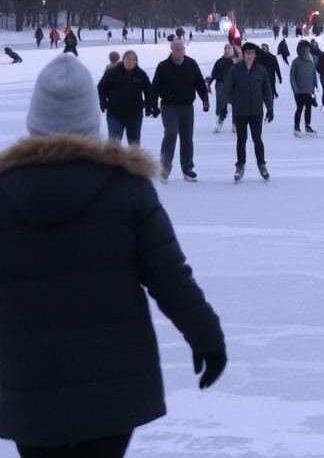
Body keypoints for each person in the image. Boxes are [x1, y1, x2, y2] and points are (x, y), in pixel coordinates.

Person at [0, 54, 225, 458]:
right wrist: (207, 337)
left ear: (35, 121)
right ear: (92, 120)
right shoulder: (126, 189)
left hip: (26, 382)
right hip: (112, 385)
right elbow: (170, 276)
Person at [151, 39, 209, 182]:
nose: (179, 52)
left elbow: (200, 83)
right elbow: (155, 86)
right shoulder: (163, 66)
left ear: (184, 49)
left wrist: (205, 99)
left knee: (187, 137)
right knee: (171, 133)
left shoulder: (191, 64)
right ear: (171, 50)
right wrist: (152, 104)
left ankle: (187, 168)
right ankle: (164, 168)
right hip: (169, 106)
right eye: (176, 50)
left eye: (181, 49)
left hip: (187, 106)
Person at [225, 42, 274, 182]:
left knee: (257, 139)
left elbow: (267, 91)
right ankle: (240, 166)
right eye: (247, 53)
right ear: (243, 54)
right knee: (241, 140)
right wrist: (234, 102)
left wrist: (269, 108)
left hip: (256, 111)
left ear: (255, 55)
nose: (249, 56)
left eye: (252, 53)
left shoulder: (261, 70)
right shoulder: (235, 70)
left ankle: (262, 164)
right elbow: (227, 89)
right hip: (240, 111)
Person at [97, 49, 153, 145]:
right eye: (127, 59)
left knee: (134, 143)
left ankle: (134, 160)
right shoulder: (112, 72)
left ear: (136, 61)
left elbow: (148, 91)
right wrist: (103, 102)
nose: (129, 62)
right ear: (123, 60)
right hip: (115, 113)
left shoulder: (140, 74)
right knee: (114, 143)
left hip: (134, 114)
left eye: (132, 60)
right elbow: (101, 87)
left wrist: (149, 106)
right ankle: (113, 160)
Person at [290, 39, 318, 136]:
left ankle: (307, 126)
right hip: (299, 90)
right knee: (299, 108)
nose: (307, 51)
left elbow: (313, 74)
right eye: (304, 49)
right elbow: (292, 77)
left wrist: (315, 85)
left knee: (309, 108)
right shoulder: (296, 62)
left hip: (309, 90)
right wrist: (295, 88)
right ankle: (296, 127)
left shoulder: (311, 62)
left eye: (308, 49)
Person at [207, 43, 237, 132]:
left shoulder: (236, 62)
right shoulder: (219, 61)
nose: (227, 50)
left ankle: (235, 123)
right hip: (221, 85)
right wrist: (209, 84)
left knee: (236, 105)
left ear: (233, 50)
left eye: (229, 49)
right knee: (221, 104)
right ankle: (220, 119)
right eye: (225, 49)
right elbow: (213, 73)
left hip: (234, 86)